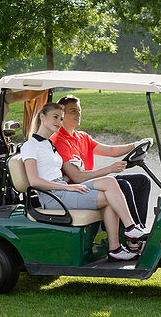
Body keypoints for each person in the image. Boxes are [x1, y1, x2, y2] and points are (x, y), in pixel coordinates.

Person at [19, 103, 147, 262]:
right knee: (109, 198)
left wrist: (68, 179)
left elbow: (53, 174)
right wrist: (68, 187)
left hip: (62, 189)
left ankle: (126, 235)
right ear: (42, 117)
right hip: (52, 198)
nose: (59, 121)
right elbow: (35, 181)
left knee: (109, 182)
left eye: (60, 118)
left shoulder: (47, 144)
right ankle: (123, 238)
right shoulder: (30, 146)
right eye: (55, 117)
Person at [51, 94, 152, 227]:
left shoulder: (82, 136)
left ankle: (140, 227)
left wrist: (134, 145)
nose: (78, 114)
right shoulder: (59, 140)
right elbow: (76, 177)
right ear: (61, 115)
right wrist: (110, 169)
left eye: (79, 111)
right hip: (75, 188)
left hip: (90, 183)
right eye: (73, 111)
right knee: (123, 185)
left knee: (142, 181)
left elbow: (110, 151)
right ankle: (132, 235)